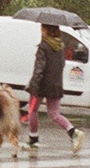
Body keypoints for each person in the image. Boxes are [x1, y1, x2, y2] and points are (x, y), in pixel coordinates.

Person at [25, 24, 83, 152]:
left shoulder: (43, 47)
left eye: (42, 28)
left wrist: (34, 85)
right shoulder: (60, 47)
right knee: (54, 114)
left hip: (41, 85)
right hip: (55, 84)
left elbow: (39, 68)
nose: (41, 31)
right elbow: (61, 65)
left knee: (33, 110)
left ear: (46, 30)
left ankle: (33, 140)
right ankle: (73, 132)